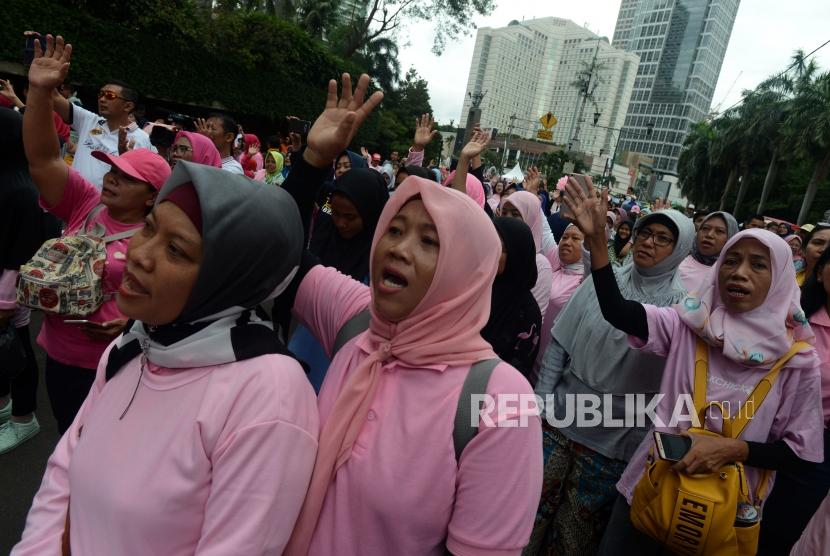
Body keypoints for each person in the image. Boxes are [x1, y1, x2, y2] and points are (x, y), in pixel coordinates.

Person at [12, 160, 319, 555]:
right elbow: (63, 474)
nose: (138, 255)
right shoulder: (134, 344)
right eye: (151, 228)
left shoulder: (268, 392)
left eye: (176, 250)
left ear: (228, 276)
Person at [557, 180, 823, 555]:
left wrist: (730, 449)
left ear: (780, 279)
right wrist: (598, 241)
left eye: (757, 264)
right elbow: (619, 311)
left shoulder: (797, 361)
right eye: (731, 260)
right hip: (648, 489)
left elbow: (800, 454)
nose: (739, 272)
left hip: (723, 515)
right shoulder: (690, 325)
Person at [529, 191, 694, 555]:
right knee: (527, 517)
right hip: (558, 422)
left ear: (681, 249)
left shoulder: (681, 309)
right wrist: (541, 404)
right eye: (645, 233)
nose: (649, 242)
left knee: (575, 535)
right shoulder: (605, 281)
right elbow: (561, 344)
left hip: (612, 444)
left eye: (663, 238)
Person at [22, 35, 172, 434]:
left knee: (103, 450)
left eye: (127, 177)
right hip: (60, 358)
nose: (112, 178)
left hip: (118, 364)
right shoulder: (84, 202)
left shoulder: (165, 238)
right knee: (66, 439)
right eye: (112, 170)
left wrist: (131, 324)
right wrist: (39, 90)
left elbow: (181, 307)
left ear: (152, 196)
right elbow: (42, 157)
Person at [758, 246, 830, 554]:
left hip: (815, 453)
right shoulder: (789, 313)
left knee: (778, 532)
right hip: (759, 434)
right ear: (820, 272)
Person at [290, 168, 389, 392]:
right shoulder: (324, 233)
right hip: (304, 349)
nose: (341, 223)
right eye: (335, 213)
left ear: (371, 213)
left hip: (347, 363)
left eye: (350, 217)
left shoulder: (381, 258)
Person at [0, 108, 62, 453]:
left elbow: (20, 252)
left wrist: (6, 302)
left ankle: (24, 418)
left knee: (16, 353)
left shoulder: (23, 190)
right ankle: (4, 405)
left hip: (8, 294)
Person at [50, 75, 151, 189]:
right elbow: (54, 97)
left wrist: (125, 160)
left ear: (128, 106)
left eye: (110, 96)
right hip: (72, 198)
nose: (102, 99)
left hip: (105, 205)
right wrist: (49, 78)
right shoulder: (88, 120)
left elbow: (140, 182)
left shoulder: (141, 139)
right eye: (101, 94)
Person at [481, 217, 543, 379]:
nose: (490, 251)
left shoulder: (527, 314)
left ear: (517, 255)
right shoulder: (477, 286)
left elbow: (515, 374)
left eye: (499, 247)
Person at [534, 224, 584, 382]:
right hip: (528, 353)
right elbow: (544, 228)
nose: (567, 242)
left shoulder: (585, 282)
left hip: (549, 366)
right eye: (564, 237)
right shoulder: (554, 267)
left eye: (575, 238)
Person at [501, 191, 554, 316]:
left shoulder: (540, 265)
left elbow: (533, 318)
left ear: (530, 218)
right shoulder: (496, 250)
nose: (507, 219)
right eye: (504, 213)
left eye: (515, 214)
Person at [678, 211, 739, 291]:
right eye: (705, 228)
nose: (709, 235)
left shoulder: (733, 275)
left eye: (719, 231)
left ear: (731, 237)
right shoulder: (676, 261)